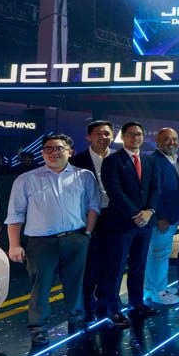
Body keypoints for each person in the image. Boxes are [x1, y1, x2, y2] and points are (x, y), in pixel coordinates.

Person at [5, 134, 100, 347]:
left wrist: (88, 233)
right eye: (48, 148)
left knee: (75, 284)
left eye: (59, 148)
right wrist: (14, 245)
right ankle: (38, 328)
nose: (54, 152)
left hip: (76, 239)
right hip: (41, 243)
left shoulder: (84, 176)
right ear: (42, 153)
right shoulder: (26, 179)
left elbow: (93, 206)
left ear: (70, 152)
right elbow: (15, 214)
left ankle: (77, 319)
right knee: (40, 287)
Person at [101, 122, 161, 323]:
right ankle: (112, 308)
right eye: (131, 134)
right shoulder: (112, 161)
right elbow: (115, 191)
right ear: (123, 137)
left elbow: (155, 188)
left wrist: (150, 211)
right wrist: (136, 214)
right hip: (122, 222)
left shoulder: (150, 160)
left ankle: (137, 302)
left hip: (146, 223)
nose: (136, 138)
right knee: (115, 267)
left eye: (139, 134)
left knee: (139, 264)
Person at [71, 120, 114, 322]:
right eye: (98, 133)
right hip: (88, 217)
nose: (103, 137)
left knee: (111, 263)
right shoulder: (76, 161)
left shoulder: (119, 158)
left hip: (114, 217)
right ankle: (87, 305)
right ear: (88, 137)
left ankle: (106, 302)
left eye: (107, 133)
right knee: (89, 266)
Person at [144, 128, 179, 307]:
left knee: (159, 253)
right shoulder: (154, 161)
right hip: (162, 219)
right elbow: (154, 191)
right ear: (157, 141)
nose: (171, 142)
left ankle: (153, 288)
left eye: (174, 139)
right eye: (167, 139)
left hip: (172, 216)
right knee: (159, 254)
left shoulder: (175, 160)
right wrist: (160, 216)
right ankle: (158, 292)